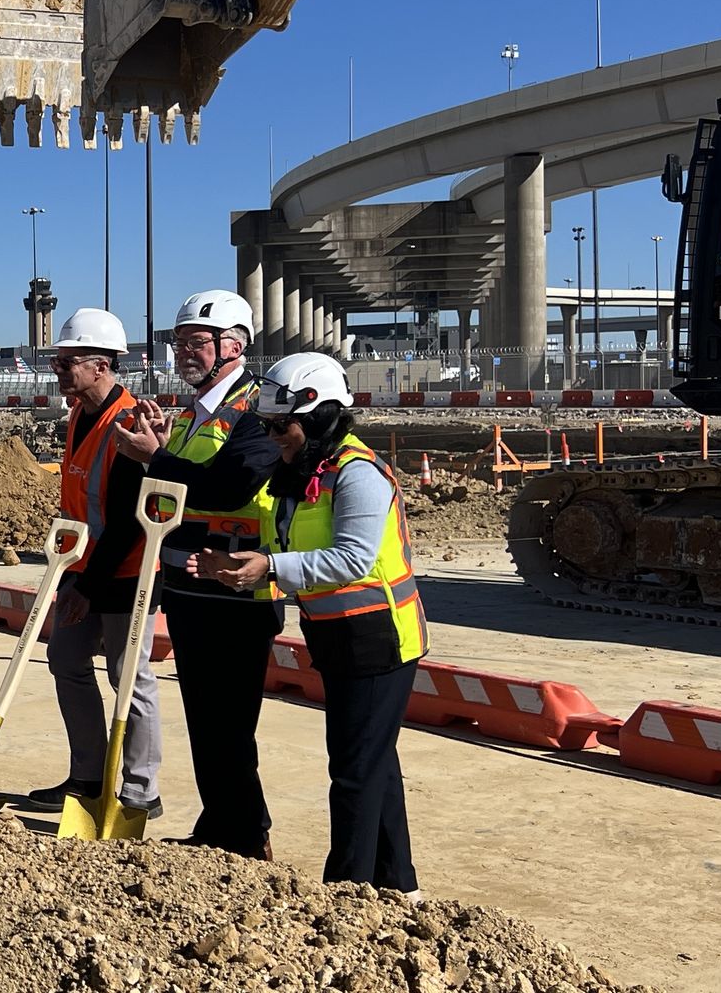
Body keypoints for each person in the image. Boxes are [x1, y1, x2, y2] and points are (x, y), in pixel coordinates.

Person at [188, 351, 428, 896]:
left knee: (352, 773)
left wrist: (269, 567)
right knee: (373, 764)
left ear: (320, 415)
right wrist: (243, 573)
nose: (274, 436)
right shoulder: (297, 476)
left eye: (282, 425)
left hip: (379, 639)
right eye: (268, 426)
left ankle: (346, 892)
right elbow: (290, 552)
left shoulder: (358, 473)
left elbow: (352, 559)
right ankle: (398, 885)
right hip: (336, 638)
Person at [110, 289, 282, 860]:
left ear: (235, 345)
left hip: (238, 586)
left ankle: (247, 836)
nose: (184, 352)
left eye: (196, 342)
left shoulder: (257, 411)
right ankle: (221, 827)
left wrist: (153, 457)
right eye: (179, 342)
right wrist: (159, 453)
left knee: (232, 723)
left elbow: (230, 486)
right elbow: (169, 496)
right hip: (189, 585)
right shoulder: (189, 415)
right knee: (206, 720)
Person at [27, 308, 164, 820]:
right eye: (58, 361)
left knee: (131, 678)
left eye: (68, 362)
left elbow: (130, 519)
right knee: (66, 660)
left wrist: (89, 585)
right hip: (81, 569)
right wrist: (72, 572)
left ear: (102, 365)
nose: (58, 370)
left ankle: (139, 791)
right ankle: (87, 775)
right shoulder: (79, 413)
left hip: (125, 574)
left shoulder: (129, 422)